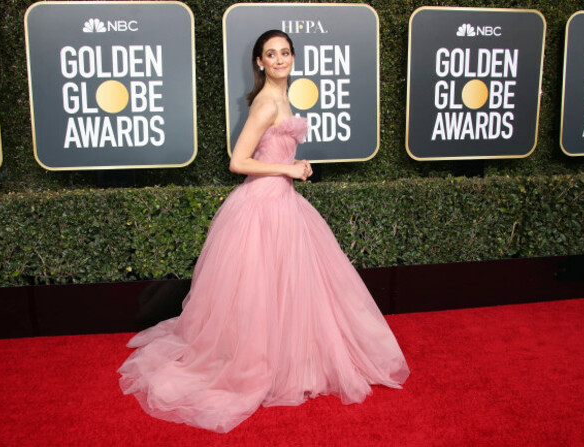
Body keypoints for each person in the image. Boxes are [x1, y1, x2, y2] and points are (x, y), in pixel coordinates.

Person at [118, 29, 410, 433]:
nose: (278, 59)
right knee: (261, 290)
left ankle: (291, 360)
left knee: (285, 290)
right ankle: (262, 364)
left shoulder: (282, 96)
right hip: (262, 205)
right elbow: (238, 161)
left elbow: (272, 150)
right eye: (270, 54)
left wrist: (295, 164)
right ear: (259, 62)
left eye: (284, 52)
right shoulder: (266, 101)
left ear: (292, 58)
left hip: (282, 202)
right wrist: (286, 169)